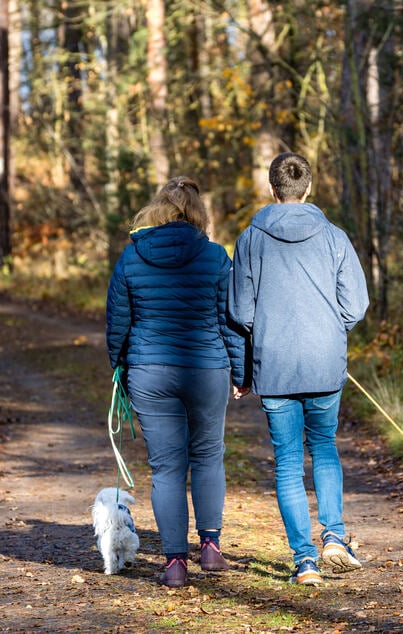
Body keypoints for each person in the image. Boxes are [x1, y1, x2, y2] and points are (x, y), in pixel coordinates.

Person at [228, 152, 369, 586]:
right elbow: (357, 305)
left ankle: (305, 561)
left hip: (275, 365)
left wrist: (254, 356)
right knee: (324, 446)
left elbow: (239, 310)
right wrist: (328, 329)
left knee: (288, 461)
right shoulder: (334, 236)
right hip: (325, 362)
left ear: (273, 189)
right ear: (308, 189)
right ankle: (334, 536)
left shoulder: (251, 239)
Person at [105, 176, 247, 588]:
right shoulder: (216, 257)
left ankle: (173, 564)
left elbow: (118, 323)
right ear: (198, 214)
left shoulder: (132, 258)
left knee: (166, 468)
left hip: (150, 372)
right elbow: (231, 322)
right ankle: (211, 548)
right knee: (207, 456)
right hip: (206, 369)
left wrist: (120, 368)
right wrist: (241, 372)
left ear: (156, 210)